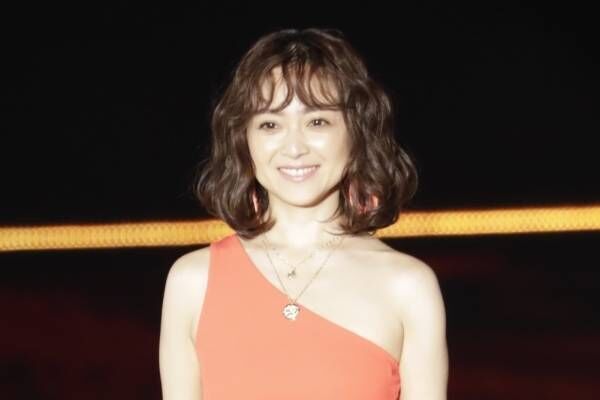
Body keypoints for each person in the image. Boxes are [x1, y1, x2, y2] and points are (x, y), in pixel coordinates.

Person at [159, 28, 448, 400]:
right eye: (270, 124)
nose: (294, 147)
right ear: (244, 140)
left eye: (317, 122)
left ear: (356, 133)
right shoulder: (191, 282)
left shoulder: (408, 287)